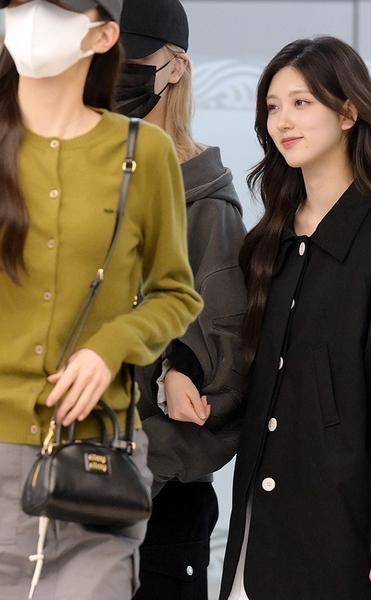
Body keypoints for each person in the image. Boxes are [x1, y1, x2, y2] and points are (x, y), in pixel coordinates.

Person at [219, 36, 371, 600]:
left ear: (348, 113)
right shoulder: (272, 236)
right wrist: (181, 367)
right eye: (273, 106)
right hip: (262, 526)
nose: (282, 121)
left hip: (344, 529)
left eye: (302, 103)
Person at [0, 1, 203, 599]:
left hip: (98, 463)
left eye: (54, 7)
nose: (32, 20)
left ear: (103, 33)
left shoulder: (145, 153)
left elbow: (176, 292)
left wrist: (109, 347)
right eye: (18, 6)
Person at [115, 0, 247, 598]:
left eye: (131, 64)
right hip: (56, 500)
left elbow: (224, 381)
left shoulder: (207, 211)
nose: (113, 81)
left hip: (157, 515)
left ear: (175, 68)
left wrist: (130, 469)